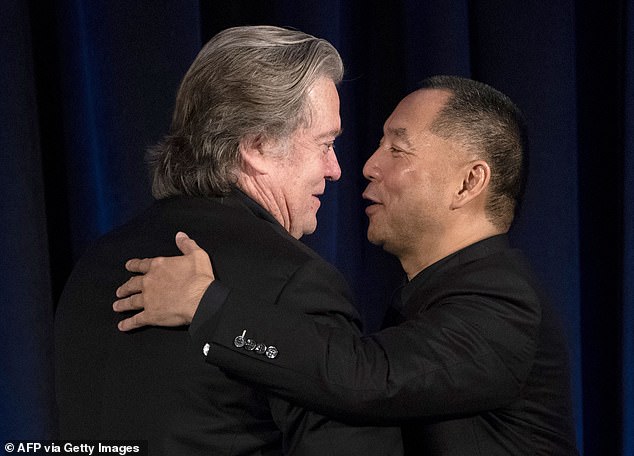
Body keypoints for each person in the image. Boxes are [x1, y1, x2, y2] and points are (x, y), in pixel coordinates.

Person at [114, 75, 579, 455]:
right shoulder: (434, 296)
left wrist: (207, 307)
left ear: (468, 182)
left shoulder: (505, 300)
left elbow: (368, 380)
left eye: (398, 149)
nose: (367, 165)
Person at [55, 25, 403, 455]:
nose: (335, 169)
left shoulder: (94, 264)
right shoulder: (297, 282)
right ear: (256, 145)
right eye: (325, 143)